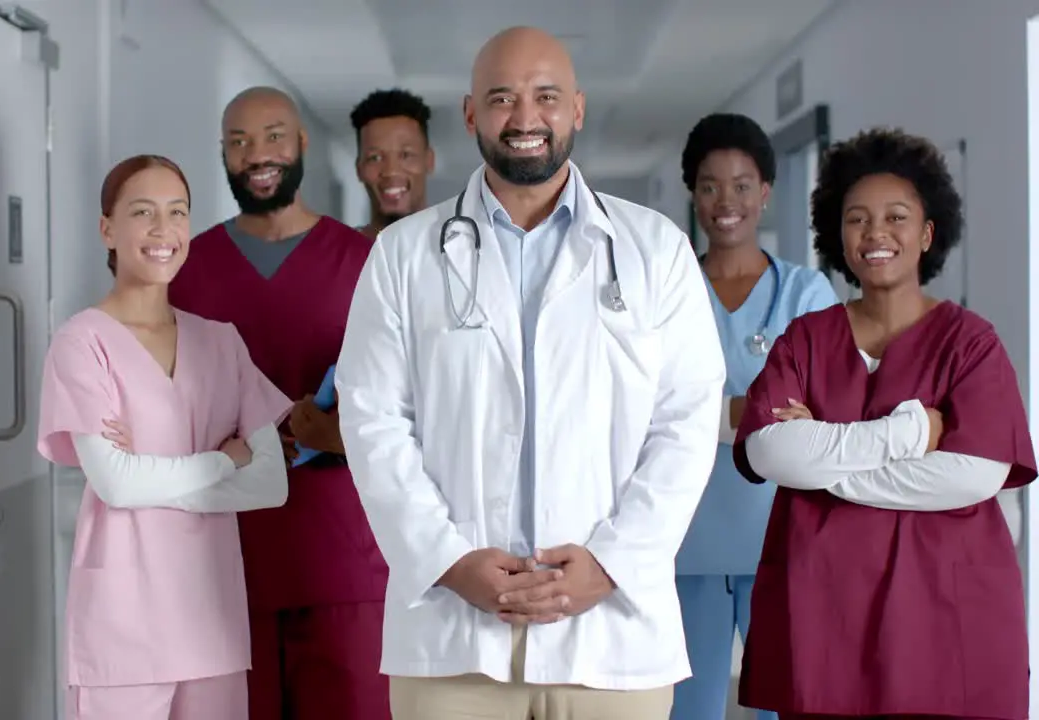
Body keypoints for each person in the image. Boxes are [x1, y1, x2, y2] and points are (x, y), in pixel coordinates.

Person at [335, 26, 726, 720]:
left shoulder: (655, 251)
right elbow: (372, 424)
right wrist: (452, 563)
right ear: (469, 115)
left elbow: (687, 424)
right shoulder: (401, 257)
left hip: (612, 636)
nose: (524, 118)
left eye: (545, 96)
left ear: (576, 108)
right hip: (455, 639)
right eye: (501, 98)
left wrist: (610, 565)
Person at [732, 128, 1035, 720]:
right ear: (836, 234)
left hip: (946, 619)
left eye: (896, 217)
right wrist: (909, 436)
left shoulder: (970, 343)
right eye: (857, 219)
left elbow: (973, 475)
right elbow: (771, 453)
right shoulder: (808, 338)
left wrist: (825, 470)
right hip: (827, 615)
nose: (875, 234)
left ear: (927, 233)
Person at [36, 154, 293, 720]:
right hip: (121, 627)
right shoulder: (82, 344)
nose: (163, 230)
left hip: (211, 619)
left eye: (177, 213)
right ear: (107, 228)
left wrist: (150, 472)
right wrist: (222, 463)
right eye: (142, 212)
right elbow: (117, 485)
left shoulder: (221, 343)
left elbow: (271, 484)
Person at [167, 87, 388, 720]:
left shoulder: (364, 262)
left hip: (344, 558)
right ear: (223, 156)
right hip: (226, 557)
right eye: (238, 142)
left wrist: (333, 431)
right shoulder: (190, 266)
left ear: (301, 145)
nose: (256, 154)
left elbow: (412, 405)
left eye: (272, 136)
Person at [671, 113, 838, 720]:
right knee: (688, 710)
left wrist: (708, 415)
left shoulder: (806, 293)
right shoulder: (668, 288)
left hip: (781, 542)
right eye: (710, 185)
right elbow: (642, 409)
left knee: (788, 701)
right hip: (685, 542)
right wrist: (758, 414)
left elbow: (825, 412)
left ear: (765, 191)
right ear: (693, 192)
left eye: (742, 184)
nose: (726, 201)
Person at [350, 87, 436, 239]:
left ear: (429, 161)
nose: (391, 171)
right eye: (375, 158)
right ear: (359, 169)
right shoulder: (340, 255)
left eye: (406, 155)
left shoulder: (462, 251)